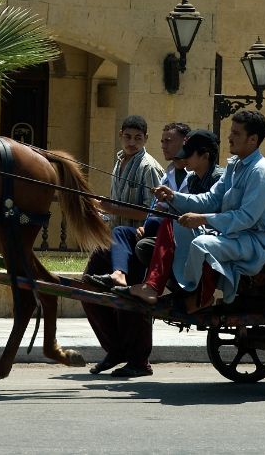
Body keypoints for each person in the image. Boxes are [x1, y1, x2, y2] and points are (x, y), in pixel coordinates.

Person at [152, 110, 265, 309]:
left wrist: (203, 219)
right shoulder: (234, 166)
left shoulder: (261, 173)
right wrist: (174, 196)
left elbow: (245, 218)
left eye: (236, 133)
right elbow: (211, 199)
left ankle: (195, 296)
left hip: (260, 240)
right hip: (236, 233)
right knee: (178, 225)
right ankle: (178, 288)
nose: (229, 137)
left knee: (202, 243)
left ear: (252, 139)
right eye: (231, 132)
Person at [81, 120, 187, 378]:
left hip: (139, 243)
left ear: (144, 139)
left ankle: (139, 361)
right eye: (127, 137)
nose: (131, 142)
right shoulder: (119, 162)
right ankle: (115, 349)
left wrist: (112, 209)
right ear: (120, 136)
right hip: (117, 239)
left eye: (137, 138)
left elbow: (149, 211)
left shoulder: (149, 167)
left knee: (130, 301)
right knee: (87, 286)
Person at [113, 129, 224, 306]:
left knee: (167, 224)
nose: (184, 159)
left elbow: (213, 209)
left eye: (189, 154)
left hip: (213, 235)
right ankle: (173, 289)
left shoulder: (219, 178)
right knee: (144, 244)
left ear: (205, 156)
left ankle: (158, 287)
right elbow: (195, 203)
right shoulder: (194, 179)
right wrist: (170, 198)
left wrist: (185, 210)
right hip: (194, 232)